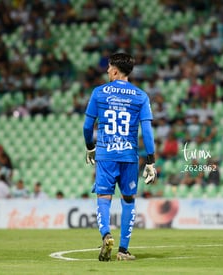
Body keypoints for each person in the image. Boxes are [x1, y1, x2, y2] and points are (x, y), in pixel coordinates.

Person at [83, 53, 156, 262]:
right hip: (129, 156)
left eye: (108, 68)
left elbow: (88, 126)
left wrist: (90, 147)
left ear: (115, 70)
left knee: (103, 197)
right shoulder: (141, 96)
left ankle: (106, 234)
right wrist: (151, 161)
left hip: (106, 154)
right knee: (128, 199)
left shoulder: (99, 93)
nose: (107, 71)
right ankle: (123, 250)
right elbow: (148, 133)